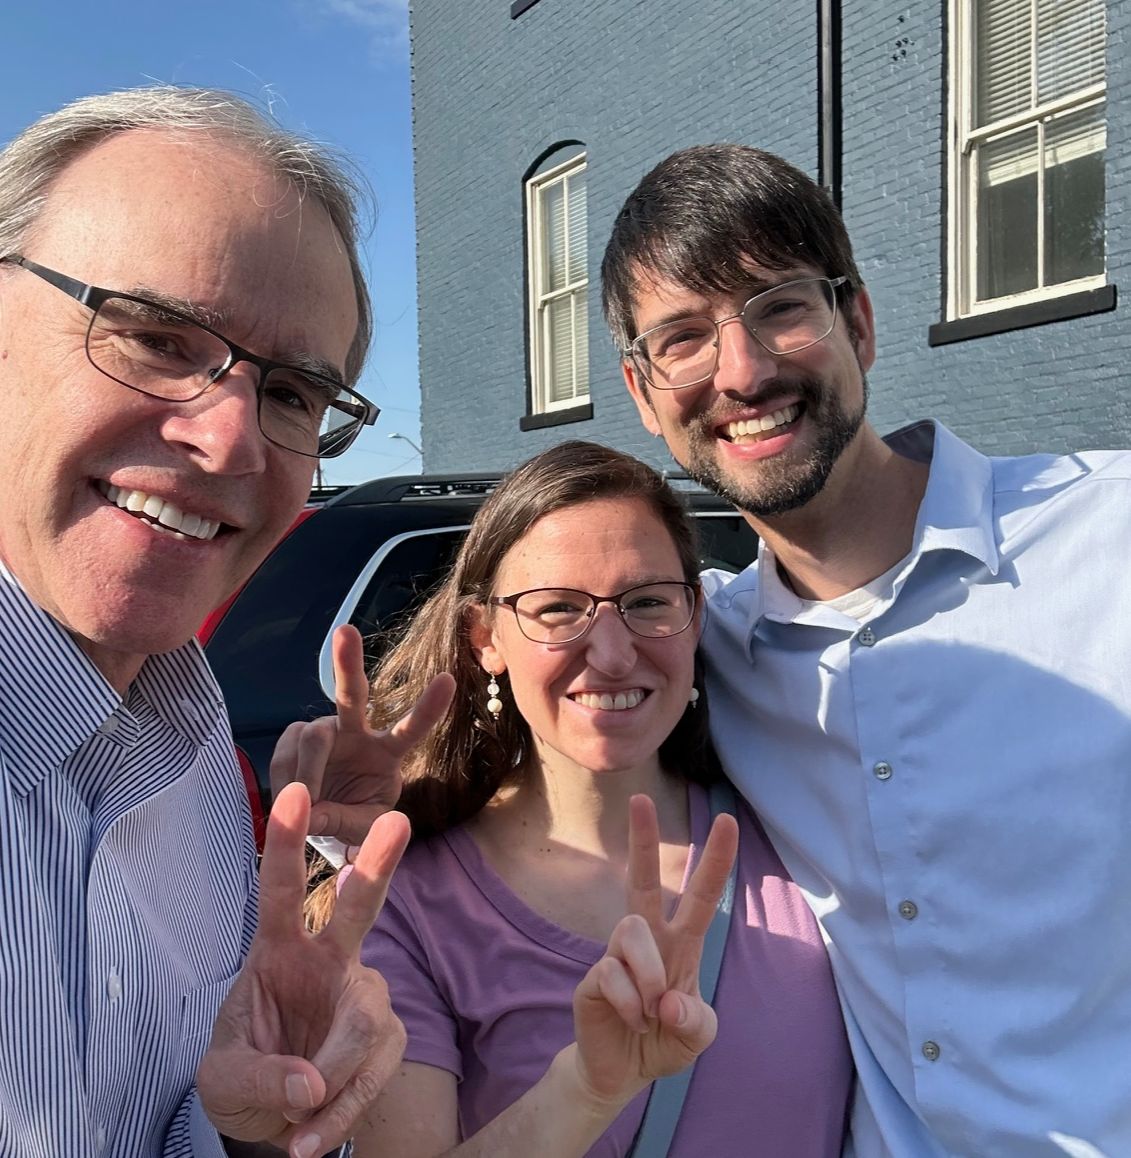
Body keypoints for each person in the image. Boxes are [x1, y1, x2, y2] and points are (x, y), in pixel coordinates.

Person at [600, 143, 1131, 1157]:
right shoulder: (701, 648)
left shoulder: (1111, 541)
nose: (743, 372)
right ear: (641, 390)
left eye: (780, 307)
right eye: (682, 339)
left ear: (862, 323)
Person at [0, 86, 450, 1158]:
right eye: (156, 336)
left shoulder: (195, 744)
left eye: (294, 393)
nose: (233, 440)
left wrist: (256, 1127)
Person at [336, 441, 853, 1156]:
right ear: (484, 636)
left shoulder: (800, 831)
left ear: (694, 615)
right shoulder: (408, 905)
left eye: (646, 602)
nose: (610, 654)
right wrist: (587, 1088)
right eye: (556, 610)